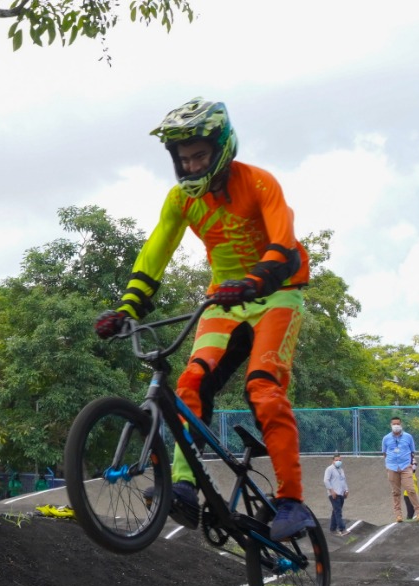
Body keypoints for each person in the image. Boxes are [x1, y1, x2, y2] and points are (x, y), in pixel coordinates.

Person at [94, 98, 314, 541]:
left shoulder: (259, 183)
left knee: (264, 390)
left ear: (221, 148)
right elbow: (154, 253)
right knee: (190, 383)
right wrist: (127, 308)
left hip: (278, 294)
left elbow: (285, 247)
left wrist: (255, 280)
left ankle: (293, 502)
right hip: (224, 299)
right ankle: (183, 486)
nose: (192, 166)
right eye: (184, 159)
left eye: (200, 156)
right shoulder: (179, 200)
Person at [382, 417, 419, 523]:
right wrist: (388, 463)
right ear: (391, 425)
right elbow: (384, 453)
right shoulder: (386, 438)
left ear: (401, 425)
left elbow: (412, 452)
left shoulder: (408, 437)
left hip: (405, 466)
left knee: (410, 489)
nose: (396, 426)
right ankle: (398, 515)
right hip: (392, 466)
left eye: (397, 424)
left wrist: (410, 464)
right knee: (395, 492)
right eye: (394, 424)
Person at [323, 453, 350, 536]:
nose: (338, 461)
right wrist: (331, 491)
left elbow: (343, 481)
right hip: (334, 494)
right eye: (336, 460)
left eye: (339, 460)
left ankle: (332, 528)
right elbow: (326, 480)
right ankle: (342, 529)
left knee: (335, 511)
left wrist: (346, 490)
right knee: (338, 511)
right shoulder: (329, 469)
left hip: (341, 493)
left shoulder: (341, 470)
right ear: (333, 461)